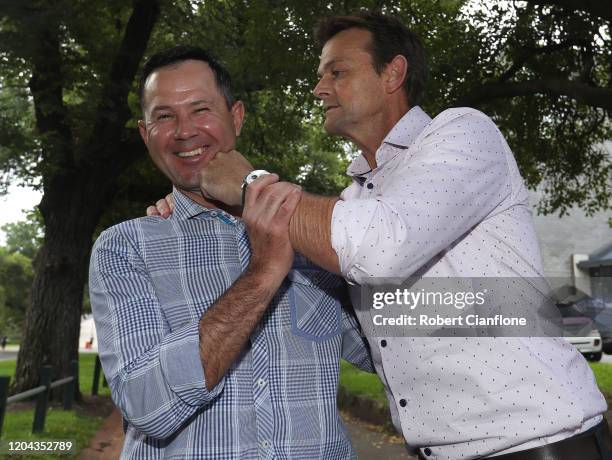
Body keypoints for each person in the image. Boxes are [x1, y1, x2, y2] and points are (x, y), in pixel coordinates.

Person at [151, 12, 611, 460]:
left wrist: (251, 185)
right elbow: (370, 304)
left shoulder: (462, 132)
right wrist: (197, 207)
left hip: (541, 443)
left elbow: (380, 249)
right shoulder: (354, 204)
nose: (319, 88)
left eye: (337, 71)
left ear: (392, 74)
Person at [89, 45, 373, 459]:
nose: (185, 131)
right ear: (145, 134)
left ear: (235, 117)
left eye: (201, 109)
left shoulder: (312, 233)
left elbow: (386, 348)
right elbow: (147, 406)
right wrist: (262, 274)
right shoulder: (125, 246)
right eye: (164, 116)